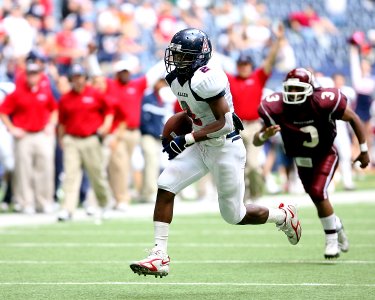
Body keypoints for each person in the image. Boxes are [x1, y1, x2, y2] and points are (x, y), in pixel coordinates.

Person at [129, 28, 301, 278]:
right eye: (176, 55)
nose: (177, 61)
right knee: (165, 184)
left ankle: (283, 216)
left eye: (184, 56)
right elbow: (191, 114)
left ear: (199, 57)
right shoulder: (177, 78)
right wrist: (168, 133)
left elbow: (227, 122)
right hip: (202, 145)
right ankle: (159, 254)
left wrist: (187, 138)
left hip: (225, 147)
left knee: (235, 215)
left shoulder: (206, 78)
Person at [253, 68, 370, 259]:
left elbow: (354, 118)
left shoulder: (323, 101)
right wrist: (265, 135)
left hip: (325, 154)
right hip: (300, 157)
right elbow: (256, 141)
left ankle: (331, 241)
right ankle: (336, 225)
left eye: (297, 89)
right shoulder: (276, 106)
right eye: (289, 89)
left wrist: (364, 150)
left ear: (310, 88)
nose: (292, 93)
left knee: (318, 192)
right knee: (316, 197)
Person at [226, 23, 284, 201]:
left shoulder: (257, 77)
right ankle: (243, 198)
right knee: (237, 165)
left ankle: (257, 195)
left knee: (252, 164)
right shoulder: (231, 79)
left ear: (251, 65)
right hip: (235, 126)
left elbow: (270, 60)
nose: (244, 67)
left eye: (246, 64)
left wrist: (278, 40)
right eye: (241, 64)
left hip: (253, 126)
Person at [57, 63, 113, 222]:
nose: (78, 80)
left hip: (91, 139)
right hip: (71, 139)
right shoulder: (65, 98)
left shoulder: (95, 94)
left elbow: (109, 111)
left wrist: (105, 127)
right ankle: (67, 209)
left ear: (85, 78)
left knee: (97, 175)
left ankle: (104, 204)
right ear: (71, 79)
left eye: (80, 77)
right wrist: (61, 139)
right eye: (74, 77)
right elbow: (61, 122)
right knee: (70, 175)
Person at [0, 61, 57, 214]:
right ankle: (26, 203)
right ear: (26, 75)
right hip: (24, 135)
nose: (33, 77)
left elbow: (54, 109)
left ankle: (44, 201)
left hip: (41, 134)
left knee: (45, 168)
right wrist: (12, 128)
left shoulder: (45, 91)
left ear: (39, 75)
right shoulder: (17, 93)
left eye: (35, 73)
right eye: (30, 73)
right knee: (23, 171)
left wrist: (51, 124)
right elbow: (3, 111)